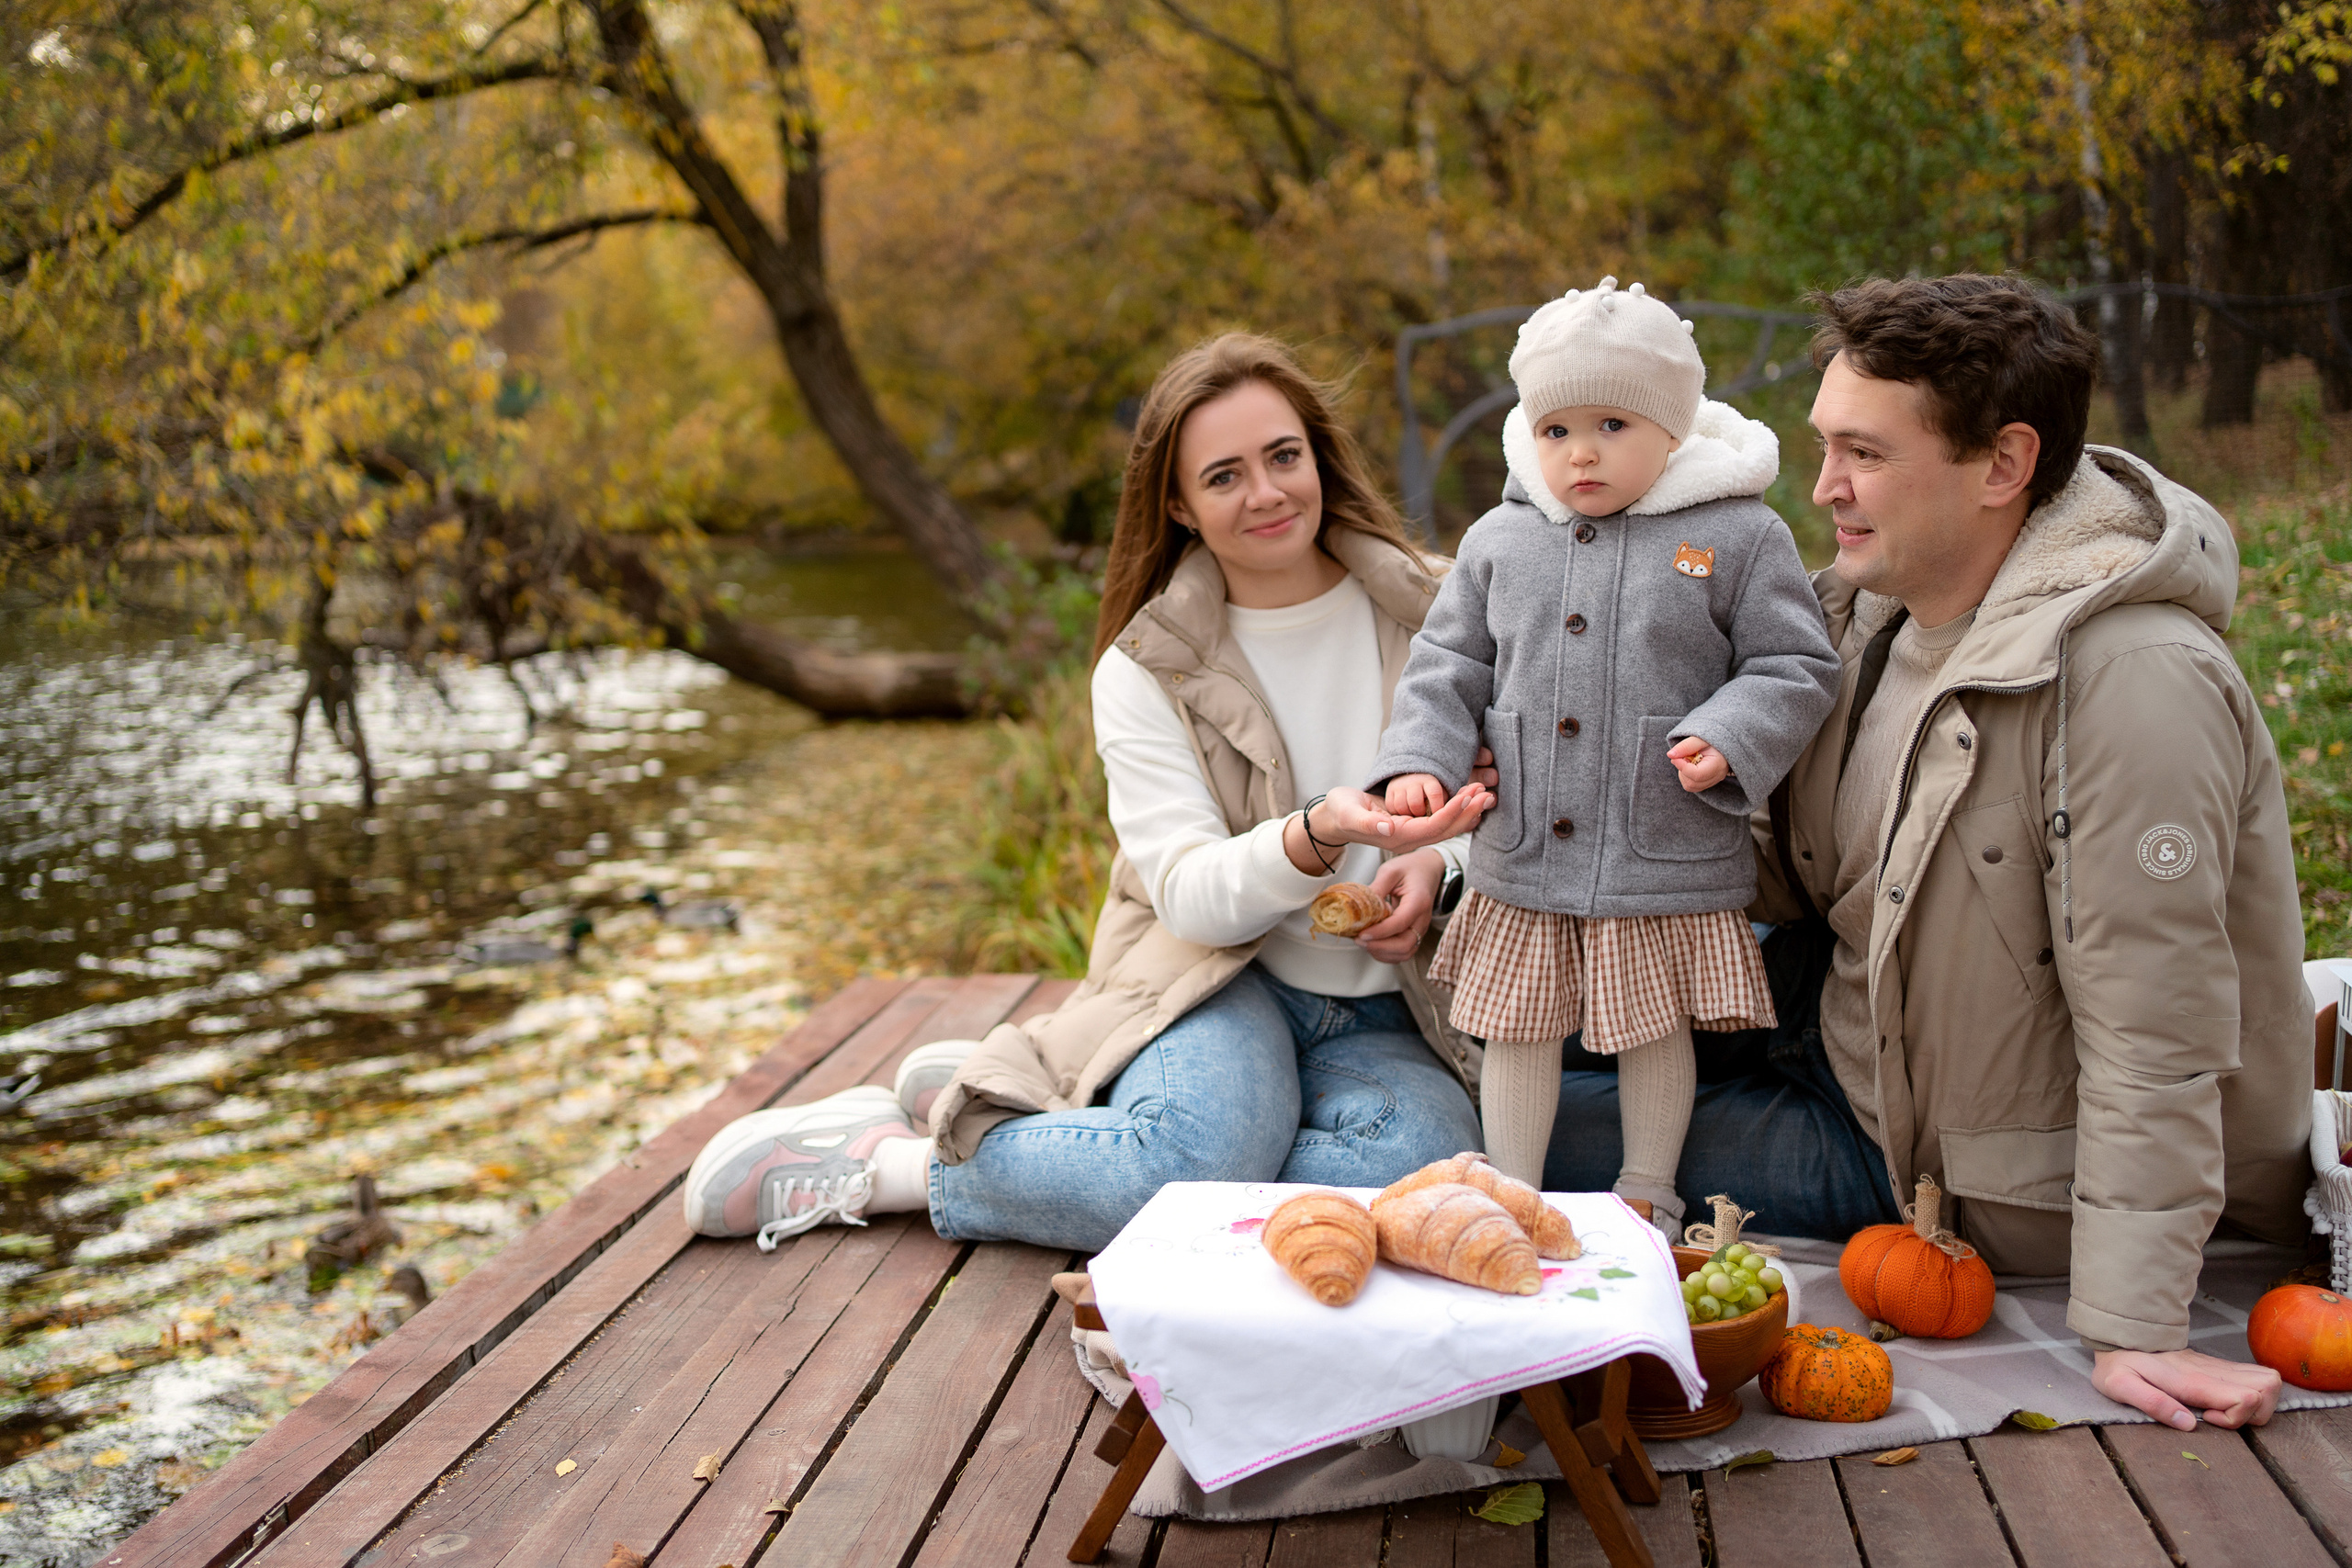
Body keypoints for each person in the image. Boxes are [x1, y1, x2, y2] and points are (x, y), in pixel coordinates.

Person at [1545, 274, 2311, 1431]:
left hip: (1948, 1157)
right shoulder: (1872, 617)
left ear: (2003, 465)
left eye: (1864, 454)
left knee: (1521, 1134)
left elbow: (2158, 1026)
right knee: (1502, 1037)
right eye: (1826, 446)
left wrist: (2137, 1325)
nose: (1825, 487)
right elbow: (1781, 865)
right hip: (1835, 1024)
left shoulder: (2130, 682)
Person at [677, 333, 1495, 1255]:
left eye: (1282, 456)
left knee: (1425, 1162)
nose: (1266, 492)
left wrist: (1440, 862)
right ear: (1179, 504)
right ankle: (894, 1166)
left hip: (1391, 1004)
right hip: (1212, 980)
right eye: (1223, 477)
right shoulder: (1144, 670)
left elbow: (1520, 801)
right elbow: (1187, 893)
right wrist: (1311, 836)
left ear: (1318, 456)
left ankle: (1069, 1104)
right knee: (1191, 1157)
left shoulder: (1444, 612)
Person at [1363, 277, 1840, 1235]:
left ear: (1671, 426)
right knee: (1521, 1022)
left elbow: (1794, 662)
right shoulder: (1501, 539)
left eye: (1612, 425)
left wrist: (1730, 732)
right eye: (1556, 430)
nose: (1580, 452)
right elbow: (1448, 662)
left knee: (1653, 1025)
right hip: (1527, 845)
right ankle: (1511, 1186)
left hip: (1658, 838)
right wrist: (1423, 759)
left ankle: (1647, 1190)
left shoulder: (1737, 533)